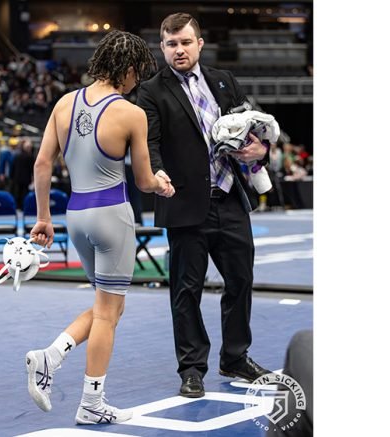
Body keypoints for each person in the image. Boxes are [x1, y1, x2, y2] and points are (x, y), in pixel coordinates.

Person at [26, 30, 174, 425]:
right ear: (128, 69)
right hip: (111, 216)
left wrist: (44, 217)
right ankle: (91, 403)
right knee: (108, 314)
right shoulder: (131, 113)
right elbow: (143, 181)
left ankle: (51, 356)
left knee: (107, 305)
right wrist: (161, 183)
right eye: (137, 74)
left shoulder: (64, 104)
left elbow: (42, 163)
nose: (137, 82)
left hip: (75, 215)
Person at [136, 12, 272, 398]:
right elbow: (150, 142)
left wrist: (261, 149)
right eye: (171, 44)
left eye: (185, 42)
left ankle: (235, 357)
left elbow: (255, 127)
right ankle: (192, 368)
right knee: (186, 291)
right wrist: (156, 173)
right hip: (183, 202)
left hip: (230, 198)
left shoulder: (224, 81)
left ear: (199, 44)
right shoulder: (151, 91)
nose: (179, 50)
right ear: (162, 48)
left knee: (241, 281)